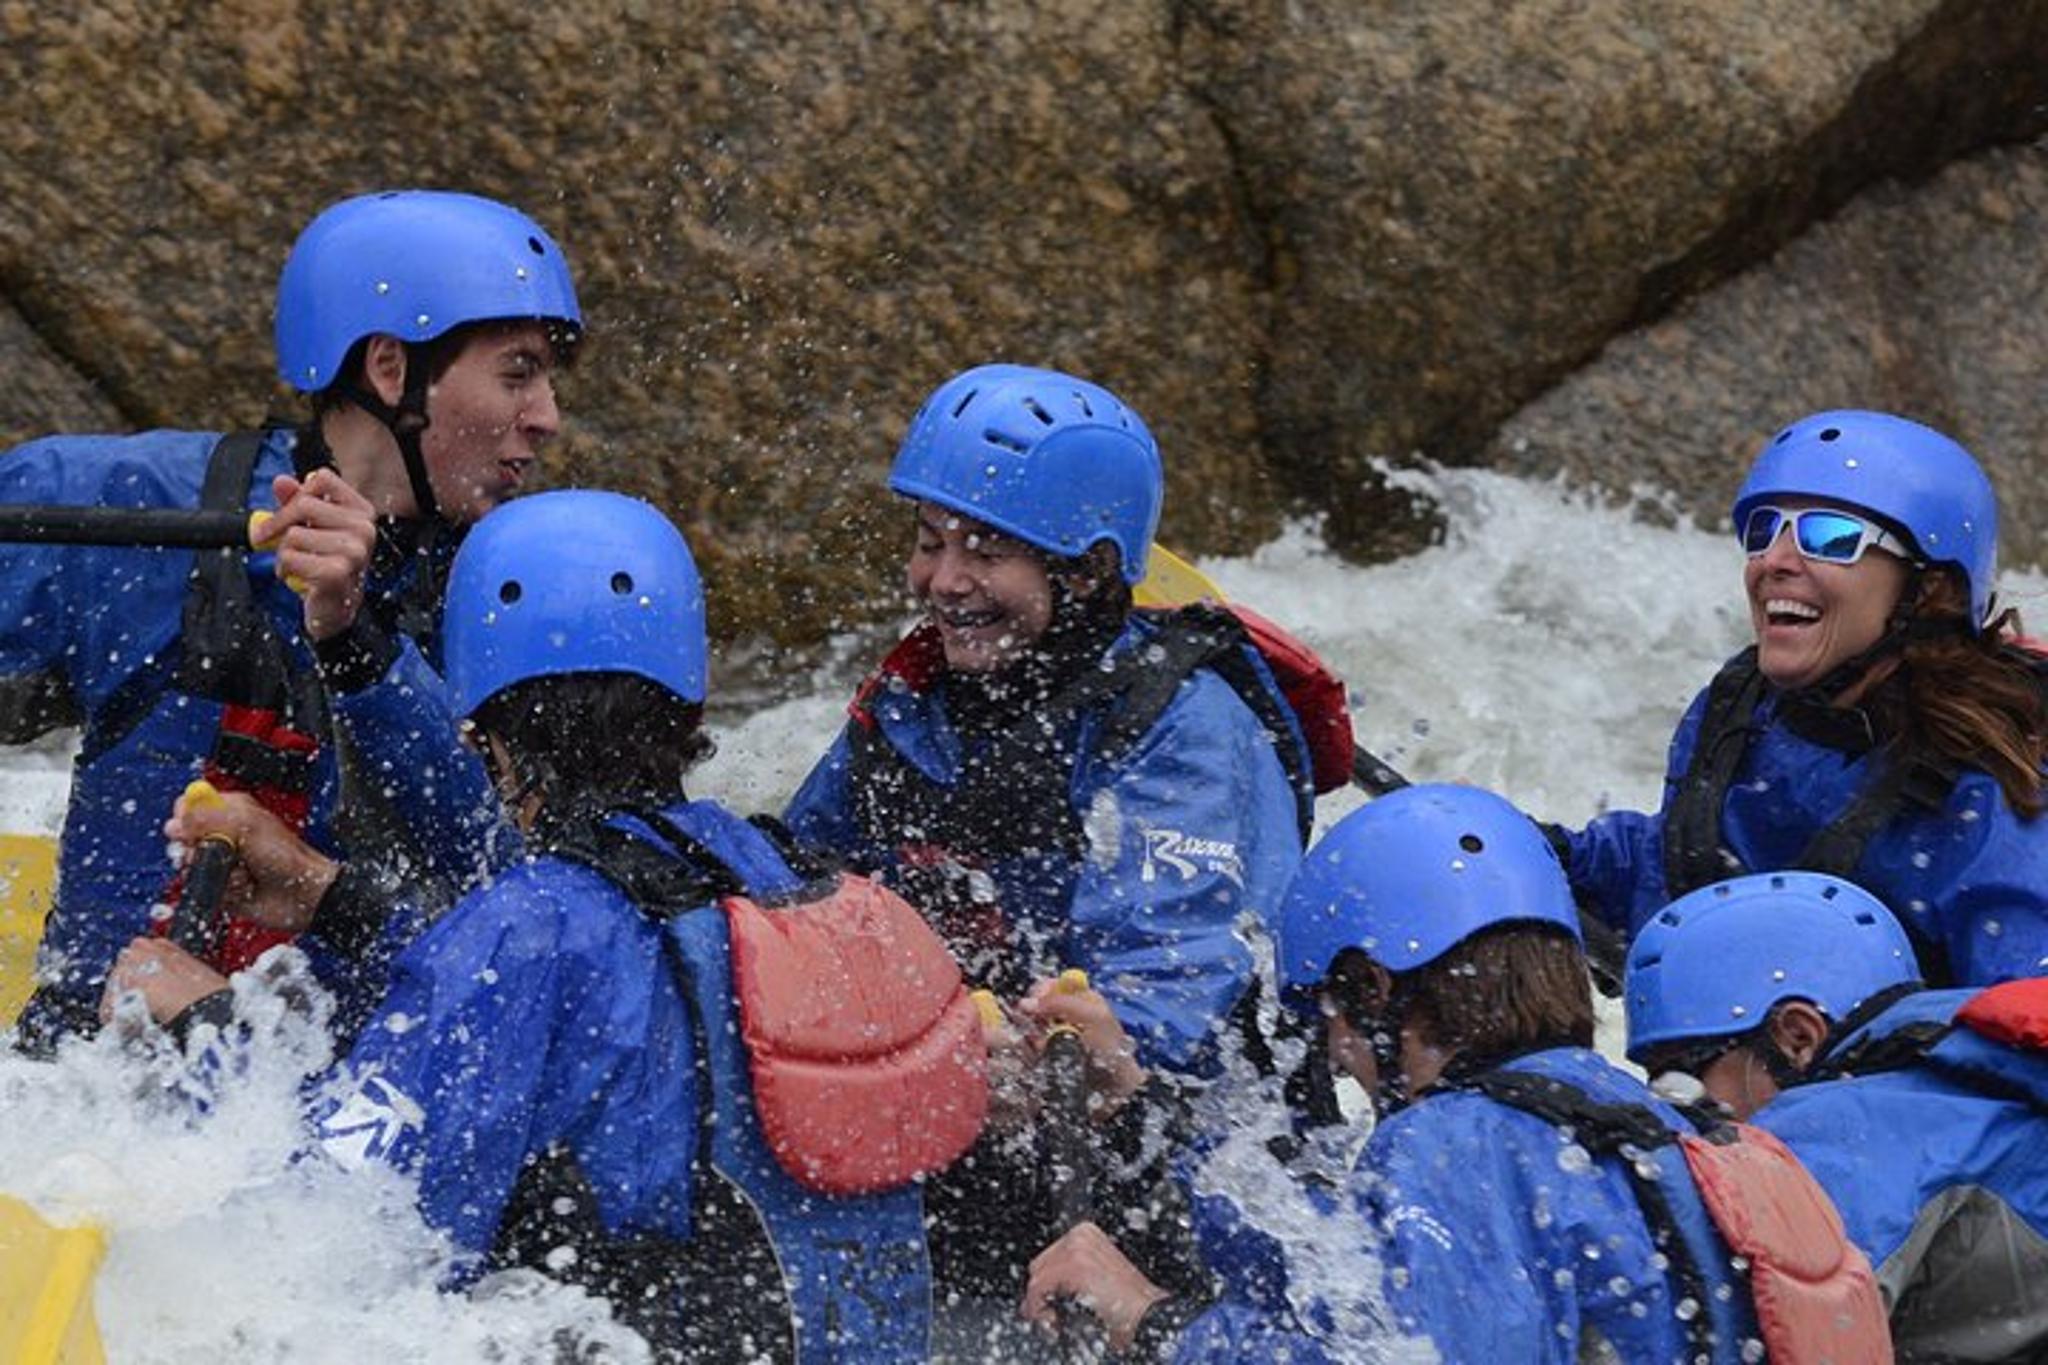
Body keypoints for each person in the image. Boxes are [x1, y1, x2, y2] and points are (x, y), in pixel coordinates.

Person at [105, 490, 981, 1362]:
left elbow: (326, 1230)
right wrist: (337, 900)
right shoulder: (772, 872)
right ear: (690, 705)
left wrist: (207, 1025)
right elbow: (576, 1015)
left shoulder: (526, 934)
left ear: (483, 732)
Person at [783, 363, 1315, 1343]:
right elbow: (787, 881)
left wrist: (970, 1041)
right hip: (976, 1139)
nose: (942, 582)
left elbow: (1159, 1020)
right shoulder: (915, 705)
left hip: (1177, 1180)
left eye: (985, 551)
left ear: (1083, 573)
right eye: (931, 542)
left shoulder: (1184, 729)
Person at [1026, 785, 1890, 1364]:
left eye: (1330, 1013)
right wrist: (1144, 1107)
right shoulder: (1629, 1116)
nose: (1335, 1053)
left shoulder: (1456, 1145)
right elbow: (1333, 1275)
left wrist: (1152, 1320)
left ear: (1373, 987)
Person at [1, 189, 580, 1048]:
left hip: (328, 1108)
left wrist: (356, 642)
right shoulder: (144, 510)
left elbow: (516, 909)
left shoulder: (525, 602)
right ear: (392, 370)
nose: (547, 416)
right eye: (518, 370)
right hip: (87, 1091)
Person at [1555, 409, 2048, 987]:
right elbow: (1679, 871)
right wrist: (1526, 854)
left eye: (1830, 536)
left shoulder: (1998, 793)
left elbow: (2021, 1029)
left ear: (1928, 587)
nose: (1775, 562)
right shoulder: (1746, 712)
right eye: (1764, 530)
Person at [1624, 871, 2048, 1361]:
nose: (1677, 1114)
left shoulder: (1843, 1127)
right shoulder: (1975, 1075)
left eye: (1681, 1079)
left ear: (1798, 1037)